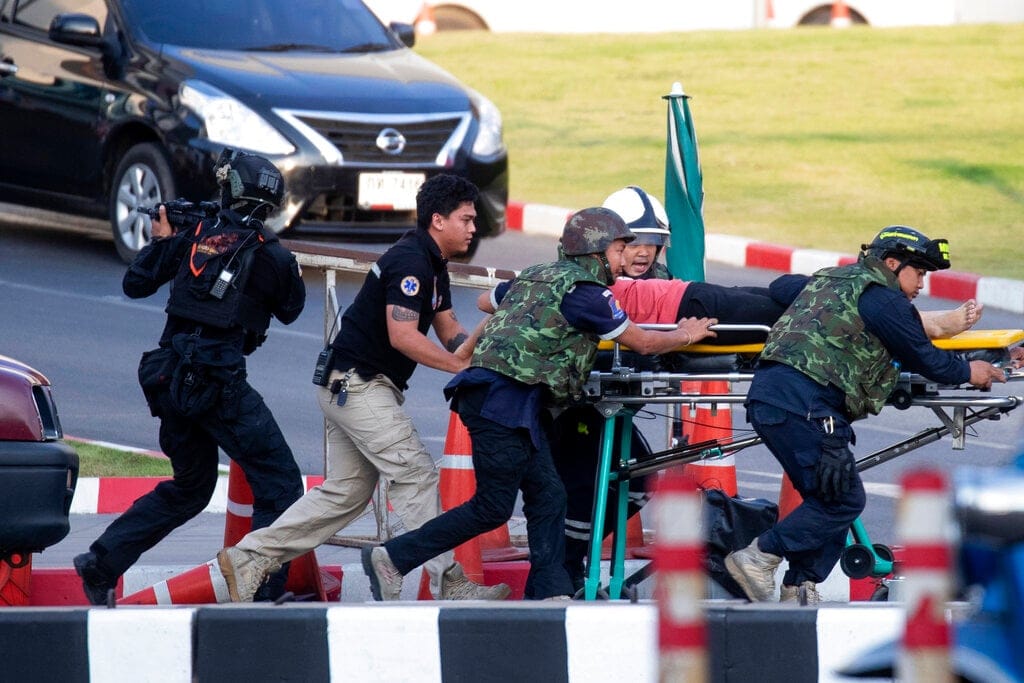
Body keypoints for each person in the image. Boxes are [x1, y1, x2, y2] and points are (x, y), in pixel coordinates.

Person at [361, 207, 718, 600]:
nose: (623, 260)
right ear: (596, 252)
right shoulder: (588, 294)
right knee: (493, 507)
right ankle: (393, 558)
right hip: (501, 403)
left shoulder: (535, 275)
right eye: (619, 250)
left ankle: (549, 592)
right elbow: (645, 342)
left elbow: (487, 301)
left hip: (505, 401)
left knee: (549, 495)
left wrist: (489, 342)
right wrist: (686, 334)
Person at [216, 173, 509, 602]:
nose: (473, 228)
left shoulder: (432, 264)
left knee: (346, 494)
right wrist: (456, 365)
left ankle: (248, 558)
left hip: (350, 386)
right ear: (438, 220)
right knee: (415, 474)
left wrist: (490, 335)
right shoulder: (411, 262)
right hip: (357, 386)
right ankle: (448, 582)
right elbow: (402, 335)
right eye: (466, 219)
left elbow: (451, 333)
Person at [726, 226, 1007, 605]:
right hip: (807, 404)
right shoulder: (886, 302)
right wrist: (970, 371)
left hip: (772, 399)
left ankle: (800, 586)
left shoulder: (832, 280)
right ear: (892, 264)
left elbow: (781, 285)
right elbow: (925, 358)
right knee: (842, 501)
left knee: (828, 495)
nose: (922, 283)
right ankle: (759, 556)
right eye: (918, 272)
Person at [74, 150, 307, 605]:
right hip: (218, 383)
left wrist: (164, 239)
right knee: (280, 485)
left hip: (171, 378)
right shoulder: (272, 255)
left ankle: (101, 564)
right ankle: (263, 595)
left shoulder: (191, 236)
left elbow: (135, 283)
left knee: (192, 487)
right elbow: (291, 309)